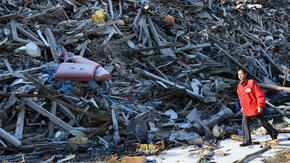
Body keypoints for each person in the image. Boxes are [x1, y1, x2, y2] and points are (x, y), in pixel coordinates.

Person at [237, 69, 278, 147]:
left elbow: (260, 95)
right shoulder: (239, 85)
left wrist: (260, 105)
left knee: (262, 121)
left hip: (254, 107)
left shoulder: (251, 83)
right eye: (239, 75)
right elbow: (241, 97)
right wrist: (242, 106)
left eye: (242, 74)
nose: (240, 76)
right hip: (246, 107)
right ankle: (247, 140)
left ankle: (273, 132)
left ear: (245, 74)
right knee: (244, 123)